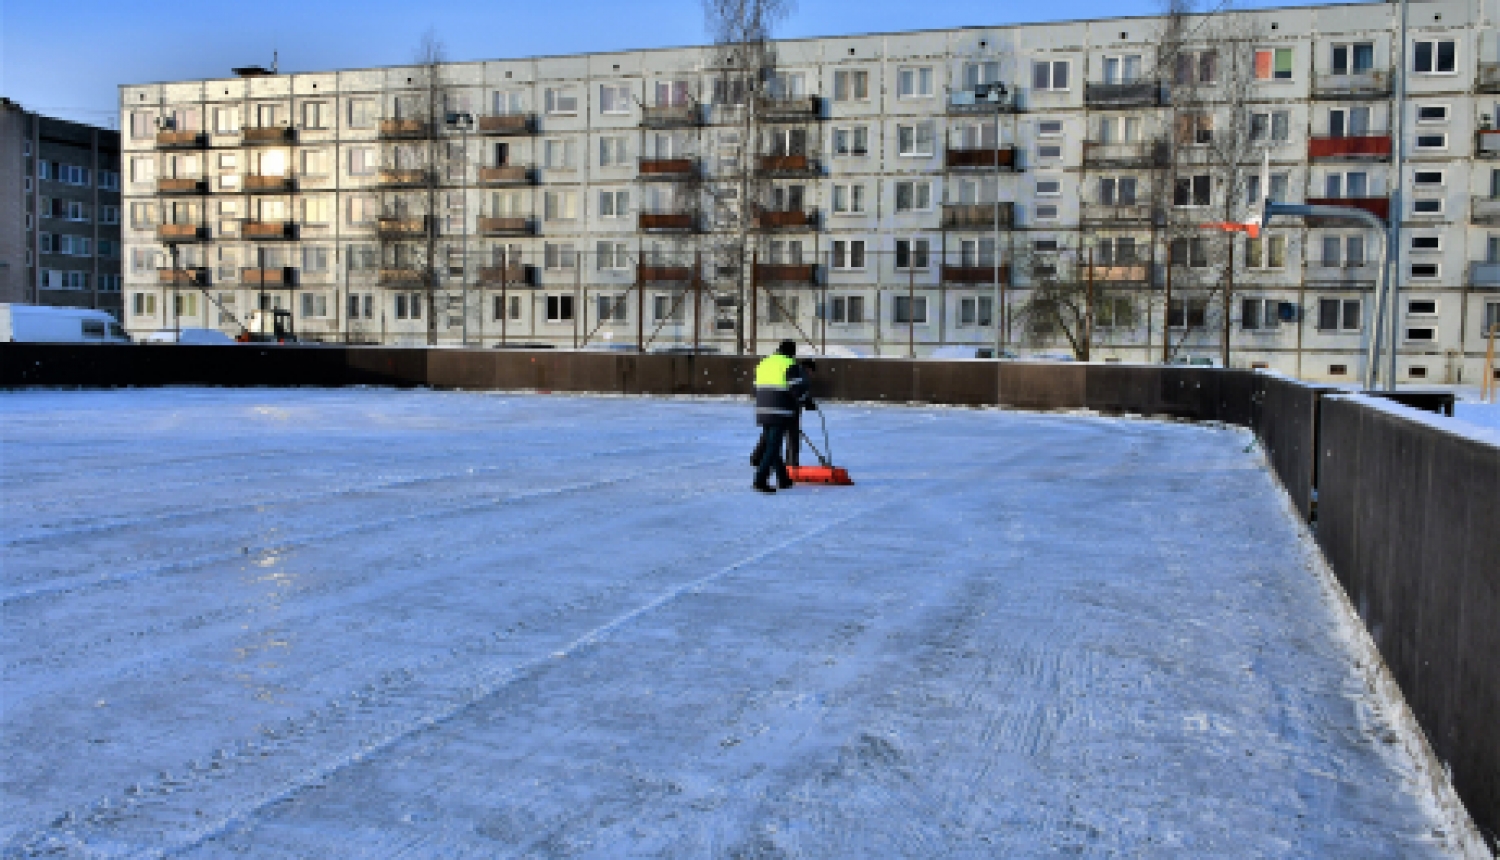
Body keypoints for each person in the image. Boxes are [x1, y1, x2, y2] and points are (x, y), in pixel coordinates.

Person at [752, 340, 816, 494]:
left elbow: (754, 388)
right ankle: (760, 480)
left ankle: (783, 478)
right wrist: (807, 402)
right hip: (779, 410)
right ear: (791, 352)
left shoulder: (764, 363)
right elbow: (796, 389)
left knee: (771, 445)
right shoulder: (789, 364)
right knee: (773, 447)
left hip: (762, 409)